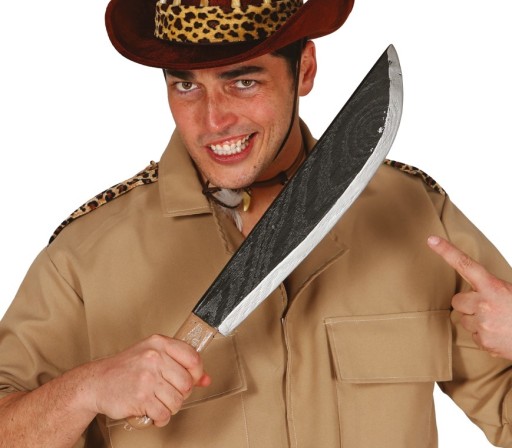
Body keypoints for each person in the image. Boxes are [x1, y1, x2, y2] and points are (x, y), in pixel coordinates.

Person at [0, 0, 512, 447]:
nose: (213, 120)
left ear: (304, 70)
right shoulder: (86, 257)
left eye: (243, 81)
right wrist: (86, 390)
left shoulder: (415, 215)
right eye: (186, 86)